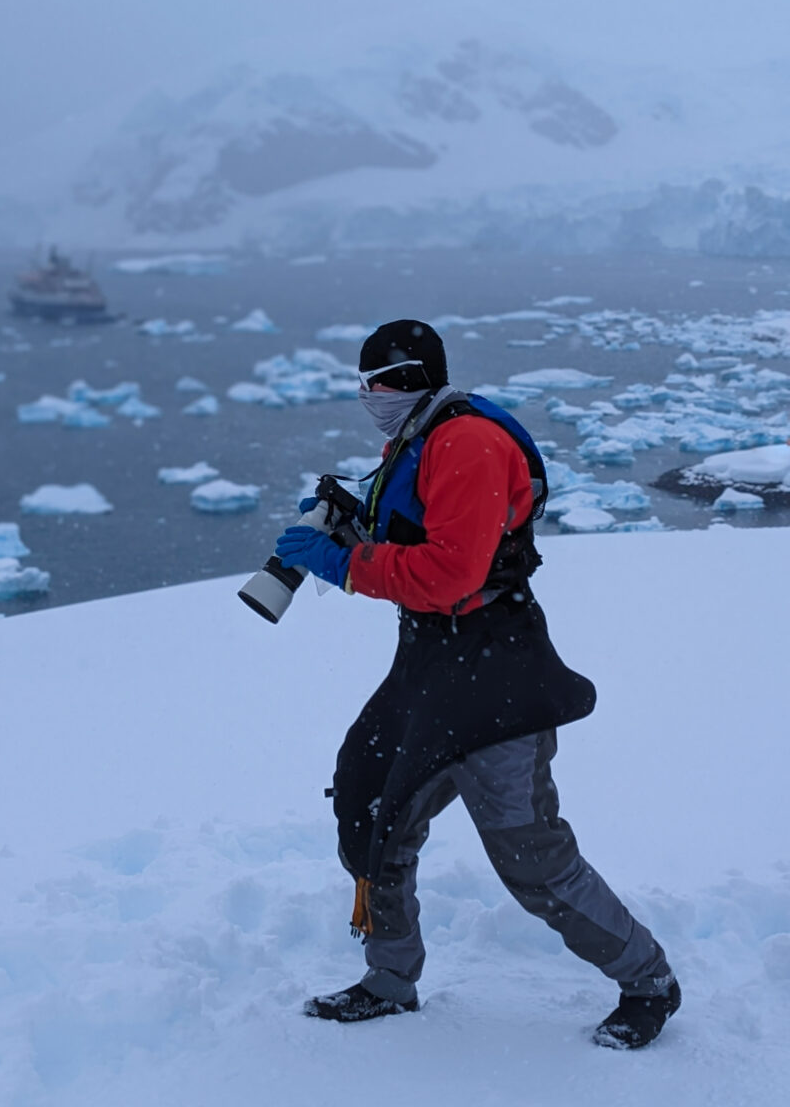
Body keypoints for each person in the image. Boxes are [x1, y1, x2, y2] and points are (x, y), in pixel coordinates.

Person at [273, 319, 680, 1050]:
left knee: (532, 856)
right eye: (363, 385)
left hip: (495, 669)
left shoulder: (466, 443)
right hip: (429, 663)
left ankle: (649, 981)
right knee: (372, 808)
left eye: (378, 383)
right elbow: (418, 547)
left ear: (410, 379)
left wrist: (344, 565)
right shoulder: (418, 435)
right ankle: (390, 980)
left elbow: (450, 574)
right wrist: (345, 536)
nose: (369, 397)